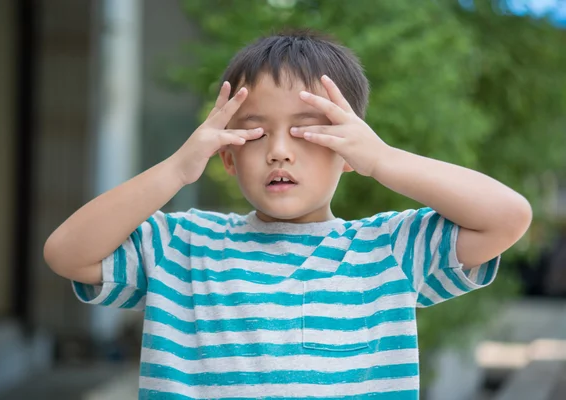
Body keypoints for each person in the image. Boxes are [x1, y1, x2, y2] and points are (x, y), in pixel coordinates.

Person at [43, 29, 532, 399]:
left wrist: (383, 159)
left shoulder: (389, 251)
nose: (279, 151)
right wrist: (174, 170)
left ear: (348, 149)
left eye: (306, 132)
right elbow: (68, 254)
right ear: (227, 155)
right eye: (255, 133)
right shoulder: (183, 247)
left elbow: (507, 217)